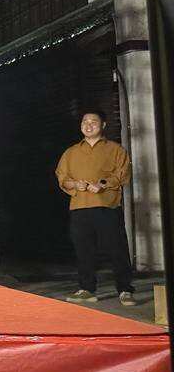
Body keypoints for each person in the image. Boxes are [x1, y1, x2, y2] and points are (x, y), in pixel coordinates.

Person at [54, 108, 135, 306]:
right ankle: (86, 289)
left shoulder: (115, 149)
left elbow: (123, 173)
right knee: (84, 250)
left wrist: (103, 184)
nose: (88, 125)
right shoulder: (71, 152)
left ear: (103, 125)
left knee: (116, 249)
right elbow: (62, 177)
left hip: (106, 206)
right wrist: (75, 184)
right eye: (85, 122)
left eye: (93, 122)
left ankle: (125, 290)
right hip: (79, 207)